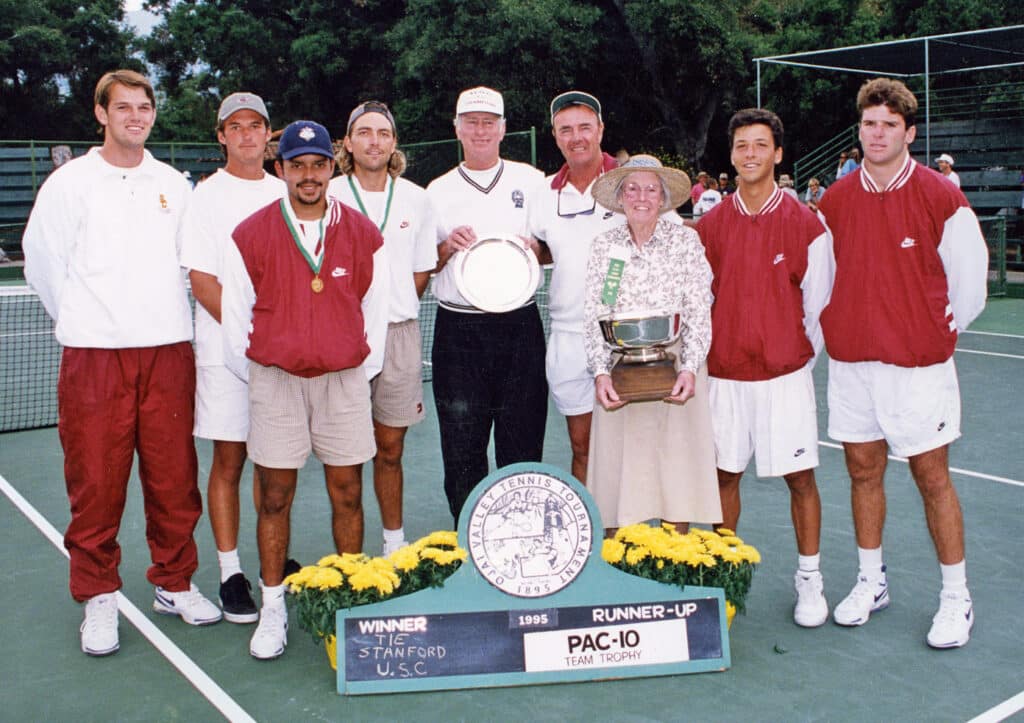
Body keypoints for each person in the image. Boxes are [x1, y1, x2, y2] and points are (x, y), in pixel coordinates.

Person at [22, 69, 222, 657]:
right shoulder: (69, 184)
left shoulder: (174, 185)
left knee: (174, 480)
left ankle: (174, 582)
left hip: (167, 352)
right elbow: (42, 262)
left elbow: (193, 261)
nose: (136, 117)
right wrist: (87, 321)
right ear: (101, 113)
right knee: (95, 483)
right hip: (94, 358)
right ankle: (99, 595)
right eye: (124, 107)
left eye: (144, 107)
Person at [818, 78, 988, 648]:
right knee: (862, 472)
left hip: (917, 370)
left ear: (909, 133)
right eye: (869, 124)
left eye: (889, 125)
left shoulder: (941, 195)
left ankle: (956, 597)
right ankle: (872, 581)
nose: (878, 134)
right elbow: (823, 281)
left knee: (931, 477)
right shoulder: (835, 200)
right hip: (853, 367)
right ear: (859, 129)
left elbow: (969, 286)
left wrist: (930, 331)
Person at [220, 120, 387, 659]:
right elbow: (236, 320)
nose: (308, 175)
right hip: (276, 383)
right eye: (297, 166)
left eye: (318, 165)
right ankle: (272, 608)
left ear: (332, 169)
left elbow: (375, 311)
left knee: (349, 493)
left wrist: (355, 368)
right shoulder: (250, 234)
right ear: (281, 169)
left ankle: (349, 603)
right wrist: (267, 371)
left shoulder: (362, 232)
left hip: (343, 382)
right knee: (274, 497)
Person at [697, 108, 834, 628]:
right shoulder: (710, 226)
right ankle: (722, 580)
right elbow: (701, 300)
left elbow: (817, 308)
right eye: (741, 146)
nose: (750, 153)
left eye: (760, 145)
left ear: (778, 153)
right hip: (725, 376)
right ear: (731, 156)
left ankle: (810, 580)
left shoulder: (806, 224)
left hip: (785, 378)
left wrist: (789, 359)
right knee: (722, 477)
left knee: (800, 478)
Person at [179, 92, 285, 624]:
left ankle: (271, 559)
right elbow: (202, 280)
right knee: (230, 459)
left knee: (274, 460)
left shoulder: (286, 189)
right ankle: (230, 572)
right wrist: (252, 333)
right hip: (225, 353)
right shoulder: (204, 197)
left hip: (280, 354)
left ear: (268, 133)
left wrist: (279, 335)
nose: (247, 135)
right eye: (235, 126)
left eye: (255, 125)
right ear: (222, 136)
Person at [426, 87, 548, 522]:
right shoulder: (436, 191)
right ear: (457, 128)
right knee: (462, 449)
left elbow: (552, 248)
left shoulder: (532, 181)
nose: (480, 130)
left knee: (523, 444)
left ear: (503, 129)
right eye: (471, 122)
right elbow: (424, 264)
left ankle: (521, 537)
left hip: (520, 328)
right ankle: (468, 538)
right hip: (459, 332)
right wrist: (446, 247)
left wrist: (536, 248)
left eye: (489, 122)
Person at [583, 155, 721, 533]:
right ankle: (623, 563)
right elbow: (597, 311)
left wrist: (689, 368)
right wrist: (600, 373)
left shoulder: (685, 241)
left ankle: (672, 561)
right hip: (620, 369)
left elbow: (699, 308)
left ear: (663, 198)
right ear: (620, 197)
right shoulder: (606, 246)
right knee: (618, 483)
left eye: (650, 189)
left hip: (676, 367)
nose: (641, 197)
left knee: (677, 479)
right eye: (632, 188)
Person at [328, 100, 439, 555]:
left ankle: (394, 544)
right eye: (364, 132)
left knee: (390, 448)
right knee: (347, 454)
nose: (374, 141)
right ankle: (350, 558)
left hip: (398, 336)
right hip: (343, 338)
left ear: (394, 144)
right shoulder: (328, 193)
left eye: (383, 133)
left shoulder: (417, 198)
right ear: (348, 143)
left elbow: (421, 269)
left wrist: (390, 306)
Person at [528, 91, 622, 484]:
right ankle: (591, 520)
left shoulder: (631, 183)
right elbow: (541, 249)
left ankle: (631, 525)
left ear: (600, 130)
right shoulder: (542, 193)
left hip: (624, 336)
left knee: (630, 448)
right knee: (582, 446)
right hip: (567, 337)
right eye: (566, 129)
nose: (576, 137)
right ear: (555, 136)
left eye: (585, 127)